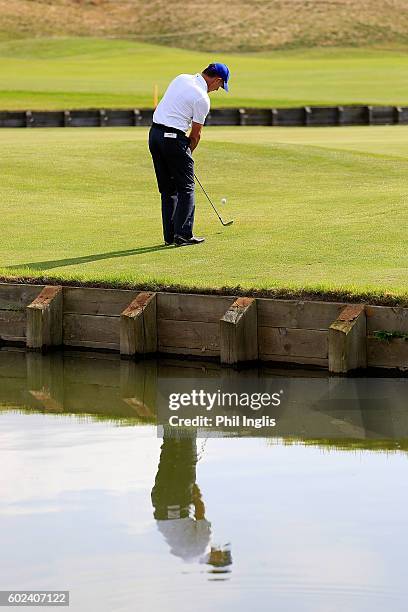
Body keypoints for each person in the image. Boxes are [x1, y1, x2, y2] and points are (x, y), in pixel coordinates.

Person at [148, 63, 230, 247]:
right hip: (173, 139)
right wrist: (186, 154)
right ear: (216, 79)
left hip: (154, 135)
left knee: (168, 189)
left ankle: (170, 236)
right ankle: (183, 234)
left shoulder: (181, 77)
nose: (217, 89)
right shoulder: (202, 98)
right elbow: (196, 134)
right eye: (220, 86)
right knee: (186, 187)